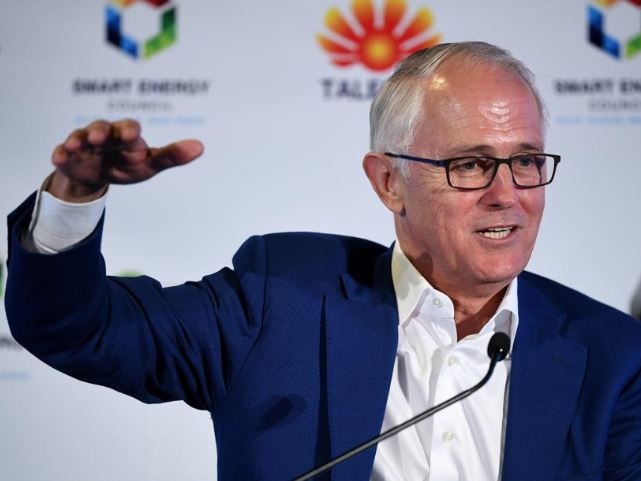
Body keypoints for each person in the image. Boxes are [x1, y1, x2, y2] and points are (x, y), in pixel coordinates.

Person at [6, 42, 641, 481]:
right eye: (470, 164)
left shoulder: (612, 355)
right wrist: (74, 201)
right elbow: (80, 329)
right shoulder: (278, 301)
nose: (507, 193)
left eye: (527, 161)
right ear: (389, 183)